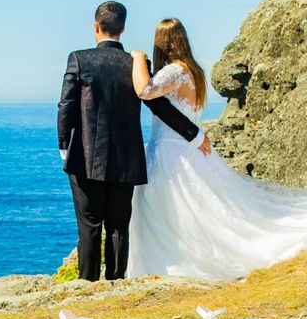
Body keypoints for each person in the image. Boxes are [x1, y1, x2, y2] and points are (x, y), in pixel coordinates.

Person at [128, 18, 307, 279]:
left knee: (173, 210)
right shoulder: (193, 71)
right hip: (187, 148)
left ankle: (175, 264)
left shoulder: (174, 72)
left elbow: (145, 90)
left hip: (171, 152)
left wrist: (137, 58)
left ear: (162, 44)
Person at [57, 2, 211, 282]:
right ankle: (116, 282)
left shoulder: (78, 59)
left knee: (90, 226)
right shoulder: (137, 64)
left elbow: (66, 105)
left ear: (96, 27)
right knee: (118, 227)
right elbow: (161, 107)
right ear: (123, 28)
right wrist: (195, 134)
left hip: (84, 158)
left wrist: (64, 146)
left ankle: (86, 287)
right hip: (126, 159)